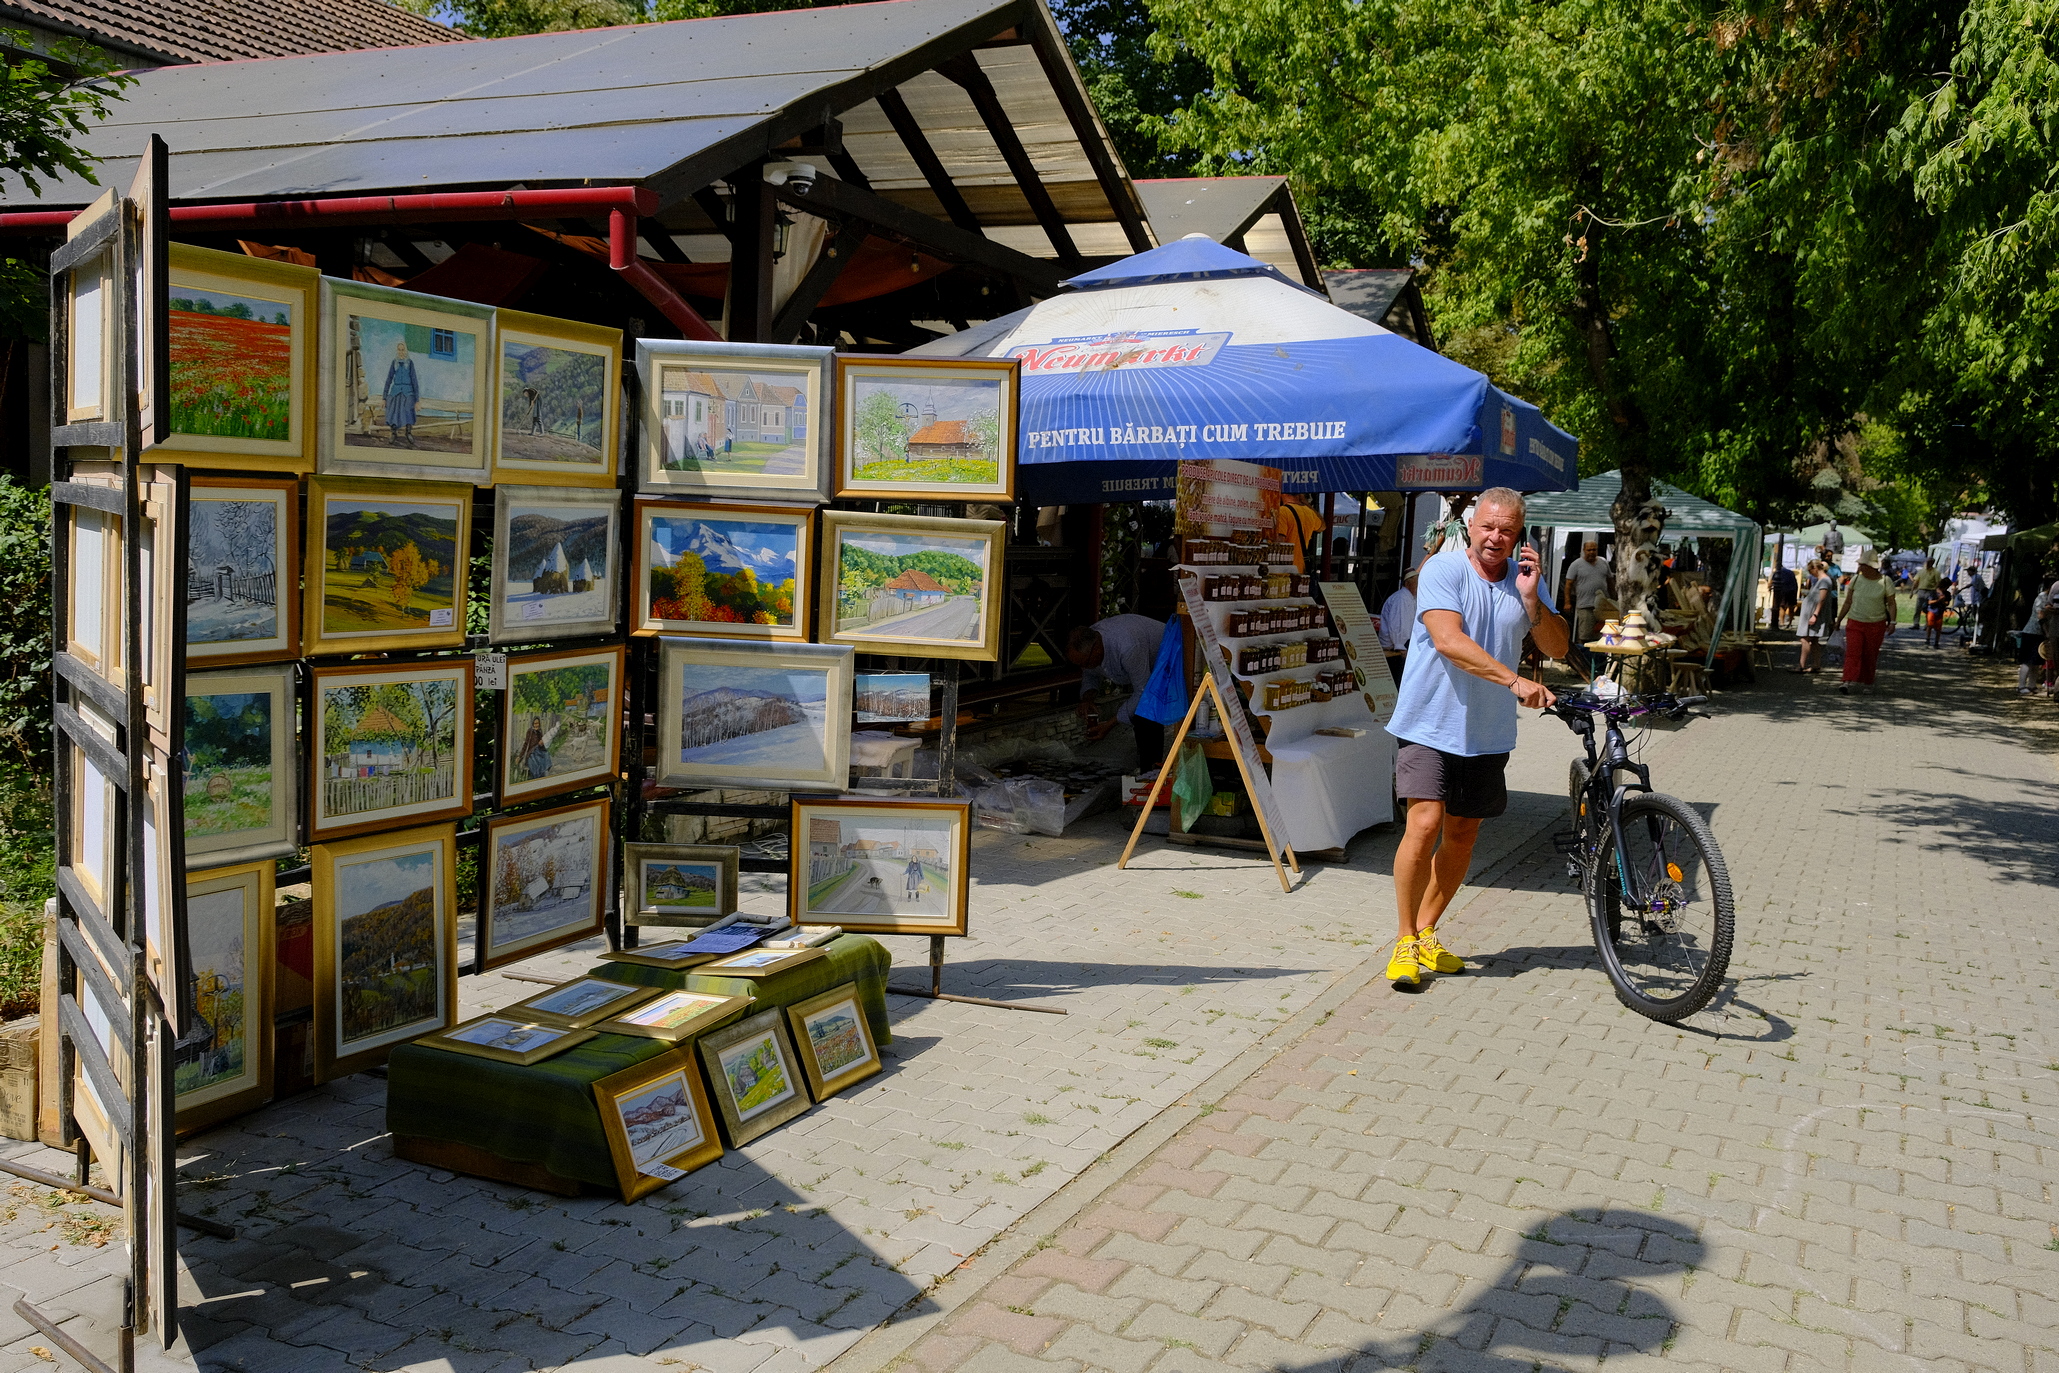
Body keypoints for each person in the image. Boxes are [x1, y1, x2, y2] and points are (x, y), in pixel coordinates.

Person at [1382, 487, 1568, 989]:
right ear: (1473, 526)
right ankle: (1403, 940)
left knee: (1463, 835)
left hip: (1487, 732)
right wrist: (1514, 681)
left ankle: (1426, 931)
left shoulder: (1526, 581)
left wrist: (1532, 603)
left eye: (1507, 530)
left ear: (1519, 535)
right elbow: (1448, 640)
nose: (1496, 537)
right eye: (1488, 526)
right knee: (1424, 825)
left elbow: (1557, 644)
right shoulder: (1443, 569)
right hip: (1428, 721)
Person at [1067, 615, 1170, 770]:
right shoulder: (1092, 644)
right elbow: (1090, 674)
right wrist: (1087, 699)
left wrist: (1110, 724)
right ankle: (1146, 765)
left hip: (1171, 659)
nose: (1085, 668)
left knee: (1146, 717)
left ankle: (1151, 772)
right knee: (1141, 719)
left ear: (1096, 648)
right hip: (1147, 670)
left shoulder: (1127, 646)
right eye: (1080, 665)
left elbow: (1143, 693)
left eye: (1086, 663)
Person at [1833, 549, 1897, 695]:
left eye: (1862, 564)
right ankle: (1847, 680)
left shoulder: (1885, 581)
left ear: (1871, 567)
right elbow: (1848, 602)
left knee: (1870, 654)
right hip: (1855, 621)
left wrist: (1892, 622)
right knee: (1852, 652)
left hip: (1876, 624)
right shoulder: (1856, 579)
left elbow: (1891, 603)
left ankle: (1868, 682)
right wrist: (1839, 620)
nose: (1860, 567)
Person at [1560, 540, 1613, 662]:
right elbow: (1568, 584)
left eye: (1594, 550)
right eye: (1589, 550)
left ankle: (1600, 662)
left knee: (1603, 635)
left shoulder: (1604, 562)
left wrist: (1613, 599)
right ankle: (1582, 662)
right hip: (1585, 605)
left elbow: (1610, 581)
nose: (1592, 552)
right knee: (1585, 636)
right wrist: (1567, 602)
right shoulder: (1576, 564)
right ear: (1584, 550)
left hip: (1603, 607)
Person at [1790, 560, 1834, 673]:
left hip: (1814, 614)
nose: (1811, 574)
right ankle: (1816, 665)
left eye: (1810, 571)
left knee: (1805, 639)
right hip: (1811, 613)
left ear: (1815, 568)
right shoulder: (1821, 580)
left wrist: (1815, 614)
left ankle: (1801, 665)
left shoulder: (1824, 581)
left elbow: (1822, 599)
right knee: (1814, 640)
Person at [1275, 494, 1326, 574]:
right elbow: (1322, 526)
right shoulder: (1310, 513)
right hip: (1300, 568)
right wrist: (1306, 503)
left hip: (1284, 569)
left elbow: (1279, 543)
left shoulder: (1282, 511)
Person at [383, 340, 420, 447]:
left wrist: (417, 400)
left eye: (403, 350)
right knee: (392, 405)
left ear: (406, 351)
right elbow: (388, 380)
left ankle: (408, 432)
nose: (401, 352)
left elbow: (415, 381)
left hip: (408, 391)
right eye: (399, 350)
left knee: (409, 406)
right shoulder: (394, 363)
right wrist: (384, 397)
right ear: (397, 351)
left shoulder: (410, 363)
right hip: (396, 390)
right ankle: (393, 433)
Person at [1911, 558, 1942, 636]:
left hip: (1930, 591)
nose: (1927, 564)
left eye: (1929, 563)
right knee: (1918, 607)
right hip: (1921, 590)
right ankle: (1916, 624)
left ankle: (1927, 624)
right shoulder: (1921, 571)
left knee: (1927, 608)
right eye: (1927, 562)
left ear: (1932, 563)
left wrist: (1935, 591)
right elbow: (1916, 581)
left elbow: (1938, 582)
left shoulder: (1936, 572)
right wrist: (1912, 591)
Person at [1770, 561, 1798, 629]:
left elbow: (1771, 582)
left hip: (1783, 590)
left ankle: (1782, 623)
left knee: (1782, 606)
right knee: (1791, 607)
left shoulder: (1777, 572)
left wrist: (1769, 588)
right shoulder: (1790, 572)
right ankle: (1790, 623)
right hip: (1792, 590)